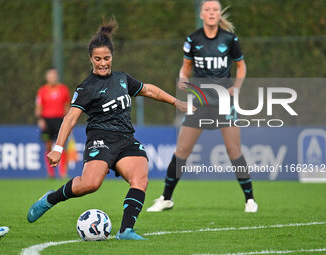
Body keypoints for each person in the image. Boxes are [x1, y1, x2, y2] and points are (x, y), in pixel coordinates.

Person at [27, 17, 188, 240]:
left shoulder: (122, 78)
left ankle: (126, 230)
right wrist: (58, 148)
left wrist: (175, 102)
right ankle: (50, 199)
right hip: (100, 139)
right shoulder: (86, 87)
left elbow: (149, 90)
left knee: (140, 179)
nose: (103, 63)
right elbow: (70, 118)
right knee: (90, 184)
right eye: (98, 59)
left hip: (126, 140)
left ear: (112, 56)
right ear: (90, 59)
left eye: (107, 58)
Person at [147, 0, 258, 213]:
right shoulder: (192, 39)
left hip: (224, 103)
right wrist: (182, 78)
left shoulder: (230, 38)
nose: (211, 12)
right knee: (182, 150)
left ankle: (250, 200)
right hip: (200, 104)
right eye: (207, 9)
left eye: (215, 9)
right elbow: (185, 68)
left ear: (218, 14)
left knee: (234, 150)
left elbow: (241, 66)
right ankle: (166, 199)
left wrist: (237, 86)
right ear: (201, 14)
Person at [35, 68, 71, 178]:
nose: (53, 78)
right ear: (47, 77)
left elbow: (67, 106)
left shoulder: (63, 89)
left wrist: (68, 120)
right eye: (51, 76)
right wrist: (40, 119)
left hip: (60, 120)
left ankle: (63, 172)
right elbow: (39, 106)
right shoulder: (42, 90)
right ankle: (50, 173)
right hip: (47, 120)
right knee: (48, 146)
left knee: (62, 146)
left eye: (54, 75)